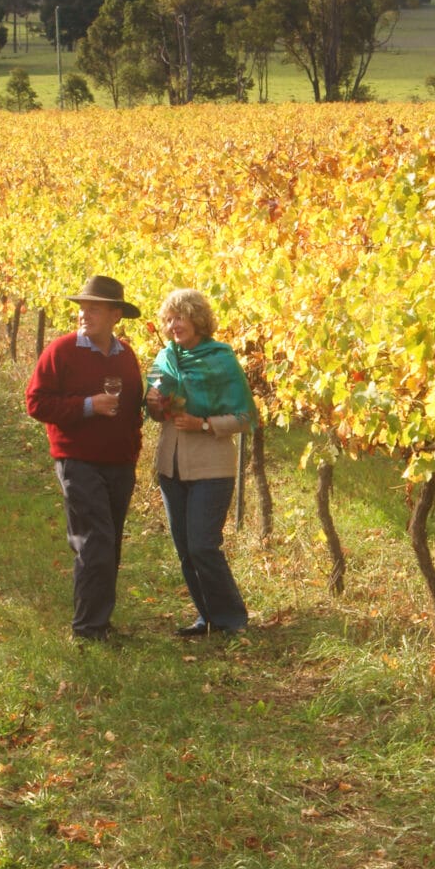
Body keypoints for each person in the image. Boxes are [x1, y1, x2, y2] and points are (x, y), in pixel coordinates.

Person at [24, 275, 147, 642]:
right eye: (82, 307)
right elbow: (36, 403)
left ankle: (99, 622)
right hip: (78, 459)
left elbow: (132, 411)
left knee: (110, 543)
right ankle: (87, 629)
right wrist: (88, 406)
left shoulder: (126, 355)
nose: (85, 313)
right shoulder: (61, 351)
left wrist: (134, 445)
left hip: (119, 463)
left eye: (94, 308)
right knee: (94, 540)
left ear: (116, 316)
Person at [146, 288, 255, 637]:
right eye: (169, 318)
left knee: (203, 545)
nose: (174, 324)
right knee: (184, 548)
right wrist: (153, 403)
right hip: (172, 465)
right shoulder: (165, 358)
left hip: (212, 466)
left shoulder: (221, 359)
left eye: (181, 317)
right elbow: (152, 412)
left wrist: (204, 424)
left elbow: (244, 416)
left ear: (197, 319)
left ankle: (232, 618)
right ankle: (206, 617)